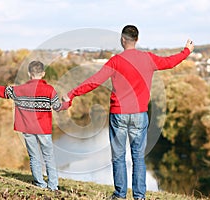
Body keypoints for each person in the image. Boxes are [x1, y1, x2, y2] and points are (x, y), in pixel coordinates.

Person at [62, 25, 194, 200]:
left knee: (118, 157)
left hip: (118, 115)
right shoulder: (148, 58)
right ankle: (139, 197)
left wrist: (71, 94)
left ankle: (120, 195)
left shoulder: (115, 61)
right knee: (138, 158)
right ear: (137, 40)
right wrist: (186, 51)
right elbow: (170, 61)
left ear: (123, 39)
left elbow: (94, 81)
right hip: (140, 115)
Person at [0, 61, 69, 191]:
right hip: (43, 130)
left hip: (27, 129)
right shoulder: (49, 90)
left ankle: (40, 185)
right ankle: (53, 186)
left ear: (29, 73)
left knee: (34, 157)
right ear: (43, 74)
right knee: (48, 157)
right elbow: (58, 107)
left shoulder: (19, 90)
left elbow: (2, 92)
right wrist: (67, 103)